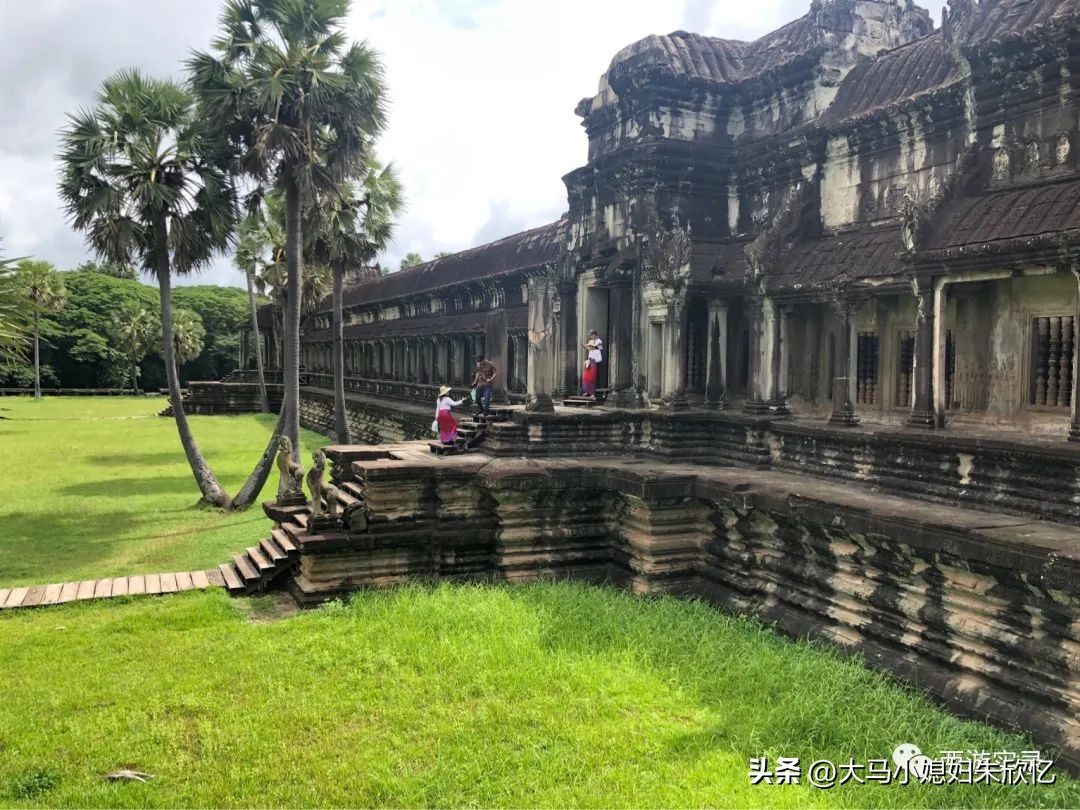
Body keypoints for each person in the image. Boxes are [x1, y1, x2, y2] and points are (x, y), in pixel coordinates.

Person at [581, 329, 604, 398]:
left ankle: (592, 392)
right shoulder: (590, 341)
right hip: (589, 360)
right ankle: (587, 391)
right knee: (586, 377)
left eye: (592, 335)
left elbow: (601, 348)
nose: (591, 337)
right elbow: (590, 349)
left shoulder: (599, 341)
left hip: (594, 360)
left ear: (594, 334)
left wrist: (593, 347)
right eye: (590, 336)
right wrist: (586, 347)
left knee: (592, 377)